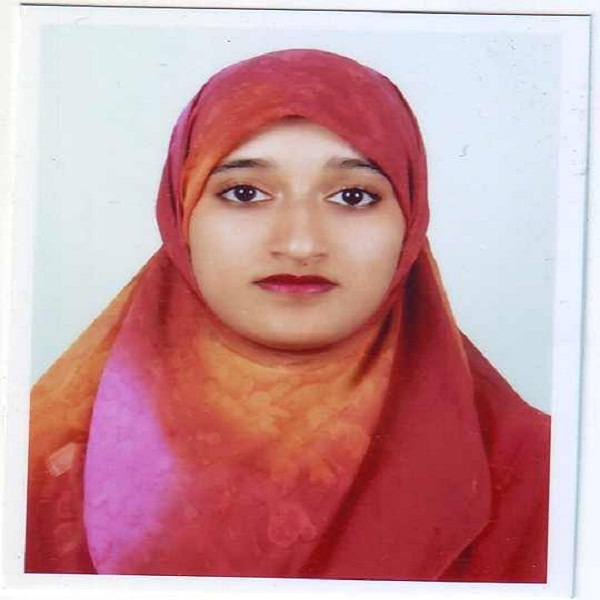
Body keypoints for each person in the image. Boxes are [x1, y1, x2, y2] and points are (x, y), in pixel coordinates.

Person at [25, 49, 550, 582]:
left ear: (410, 221)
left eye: (353, 196)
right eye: (244, 193)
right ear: (181, 214)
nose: (300, 243)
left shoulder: (546, 474)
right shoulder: (34, 465)